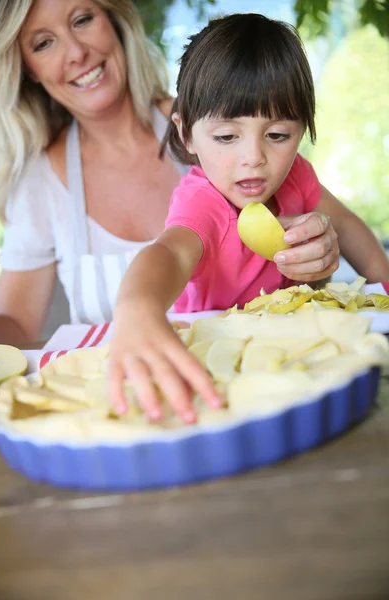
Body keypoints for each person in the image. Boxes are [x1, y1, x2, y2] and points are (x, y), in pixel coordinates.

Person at [0, 1, 341, 347]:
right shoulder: (38, 184)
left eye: (82, 20)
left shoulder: (220, 121)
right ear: (29, 68)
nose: (76, 52)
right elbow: (17, 324)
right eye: (43, 42)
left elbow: (313, 233)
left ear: (115, 21)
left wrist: (316, 259)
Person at [109, 13, 389, 423]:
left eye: (278, 135)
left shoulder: (298, 178)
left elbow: (346, 226)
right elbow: (168, 253)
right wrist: (137, 310)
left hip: (282, 359)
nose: (254, 158)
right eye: (226, 137)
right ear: (186, 133)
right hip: (213, 367)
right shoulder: (202, 202)